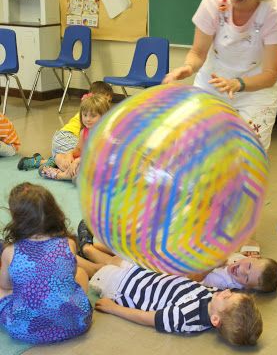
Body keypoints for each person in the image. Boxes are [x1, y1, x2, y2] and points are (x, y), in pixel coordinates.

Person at [162, 0, 277, 150]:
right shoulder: (213, 2)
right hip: (214, 81)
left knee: (247, 152)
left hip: (256, 89)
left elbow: (270, 74)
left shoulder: (274, 14)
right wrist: (187, 68)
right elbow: (198, 52)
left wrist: (237, 84)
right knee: (196, 146)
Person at [75, 224, 262, 346]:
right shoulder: (215, 296)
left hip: (125, 289)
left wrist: (113, 308)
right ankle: (87, 249)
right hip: (146, 275)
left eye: (228, 297)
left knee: (95, 270)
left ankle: (69, 254)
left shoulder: (187, 318)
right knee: (115, 260)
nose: (227, 291)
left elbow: (146, 317)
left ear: (215, 320)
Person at [0, 182, 92, 344]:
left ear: (17, 219)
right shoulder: (68, 243)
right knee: (81, 274)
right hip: (76, 323)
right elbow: (68, 277)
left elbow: (6, 285)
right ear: (53, 212)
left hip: (26, 330)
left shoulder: (10, 251)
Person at [17, 80, 113, 171]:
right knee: (76, 164)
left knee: (80, 162)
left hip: (68, 140)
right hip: (65, 136)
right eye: (103, 100)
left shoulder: (100, 118)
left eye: (109, 101)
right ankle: (44, 163)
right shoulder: (90, 115)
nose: (106, 104)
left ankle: (48, 161)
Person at [38, 93, 111, 181]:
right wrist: (69, 155)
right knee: (58, 157)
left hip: (98, 165)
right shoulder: (84, 132)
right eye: (85, 115)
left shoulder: (105, 134)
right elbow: (78, 150)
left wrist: (77, 161)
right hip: (83, 162)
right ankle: (73, 175)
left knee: (85, 168)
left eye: (93, 116)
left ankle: (61, 175)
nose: (88, 119)